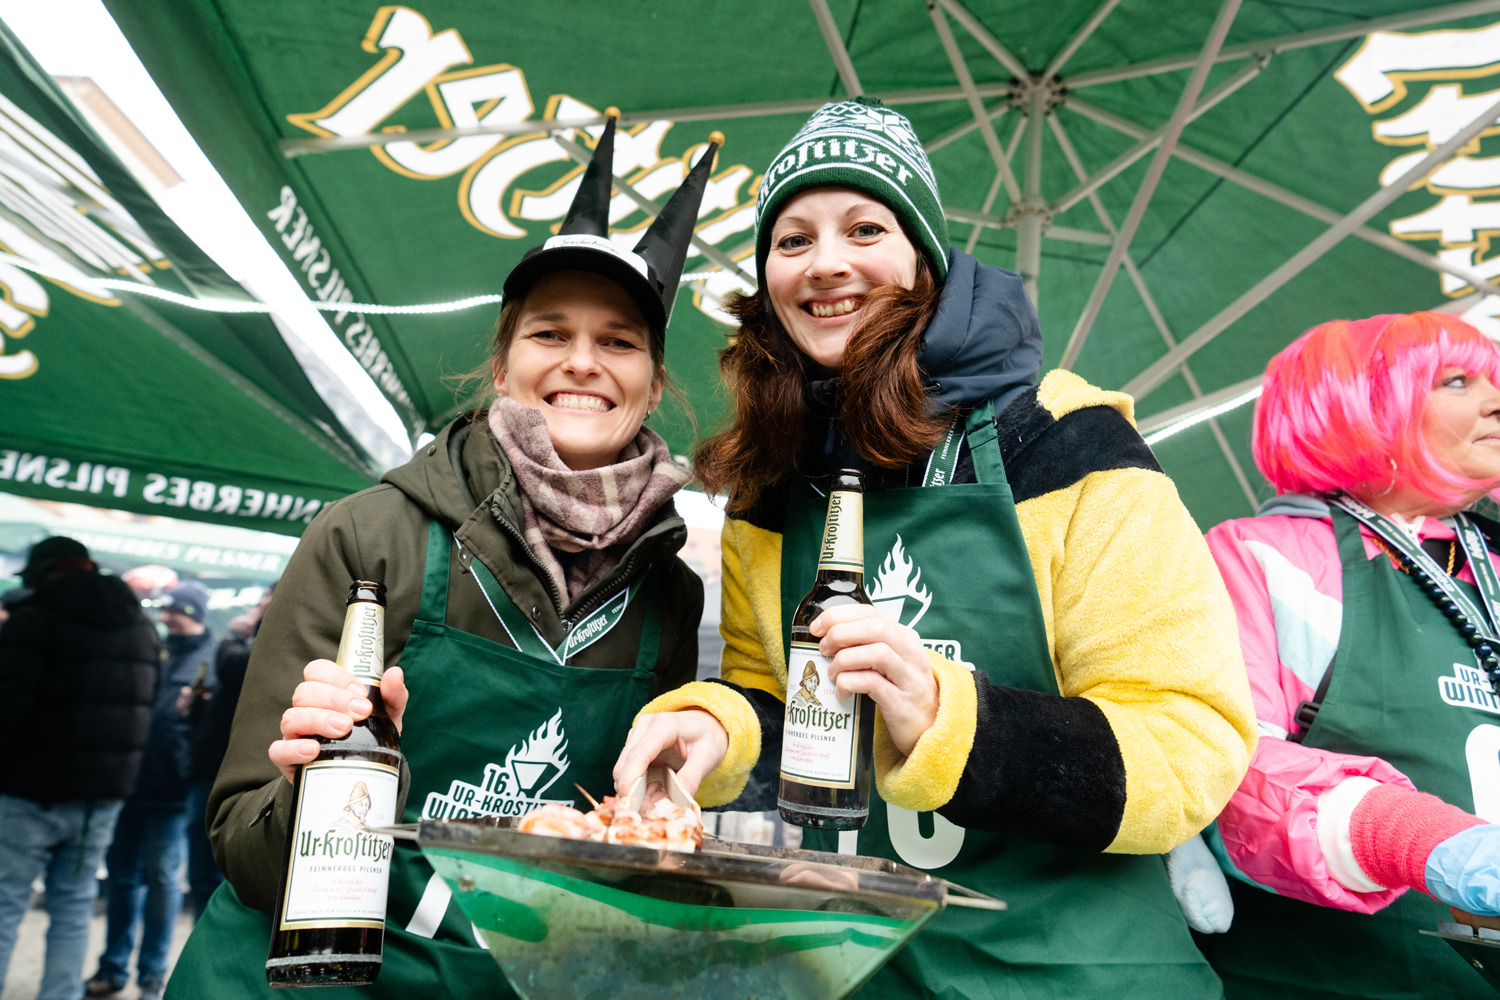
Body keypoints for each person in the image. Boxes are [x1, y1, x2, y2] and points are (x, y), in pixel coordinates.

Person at [613, 97, 1259, 998]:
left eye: (864, 228)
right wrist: (718, 727)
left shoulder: (1066, 444)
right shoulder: (769, 485)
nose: (825, 262)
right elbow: (785, 701)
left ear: (925, 258)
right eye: (792, 240)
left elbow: (1192, 745)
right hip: (861, 965)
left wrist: (949, 718)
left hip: (1078, 974)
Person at [161, 114, 715, 1000]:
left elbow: (618, 857)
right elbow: (241, 844)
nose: (583, 361)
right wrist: (309, 787)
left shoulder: (669, 595)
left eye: (618, 341)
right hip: (292, 983)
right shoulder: (369, 536)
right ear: (501, 367)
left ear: (652, 386)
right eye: (549, 334)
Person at [1196, 312, 1500, 999]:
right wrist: (1416, 838)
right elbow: (1225, 764)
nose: (1495, 400)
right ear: (1359, 404)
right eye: (1457, 382)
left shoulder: (1489, 563)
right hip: (1327, 976)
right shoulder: (1260, 556)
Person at [0, 537, 158, 1000]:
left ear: (44, 573)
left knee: (5, 901)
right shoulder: (140, 625)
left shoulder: (33, 620)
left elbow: (6, 709)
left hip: (26, 790)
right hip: (101, 797)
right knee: (74, 903)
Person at [88, 581, 214, 1000]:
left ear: (192, 614)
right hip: (129, 783)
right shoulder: (153, 649)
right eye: (164, 610)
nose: (166, 617)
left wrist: (185, 767)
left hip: (173, 790)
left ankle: (152, 973)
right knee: (122, 878)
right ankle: (113, 967)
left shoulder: (211, 660)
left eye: (174, 611)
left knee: (161, 879)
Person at [180, 584, 275, 920]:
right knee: (201, 872)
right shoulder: (250, 643)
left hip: (242, 775)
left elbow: (235, 666)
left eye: (265, 600)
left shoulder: (261, 647)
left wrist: (234, 633)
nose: (258, 606)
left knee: (223, 875)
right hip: (210, 770)